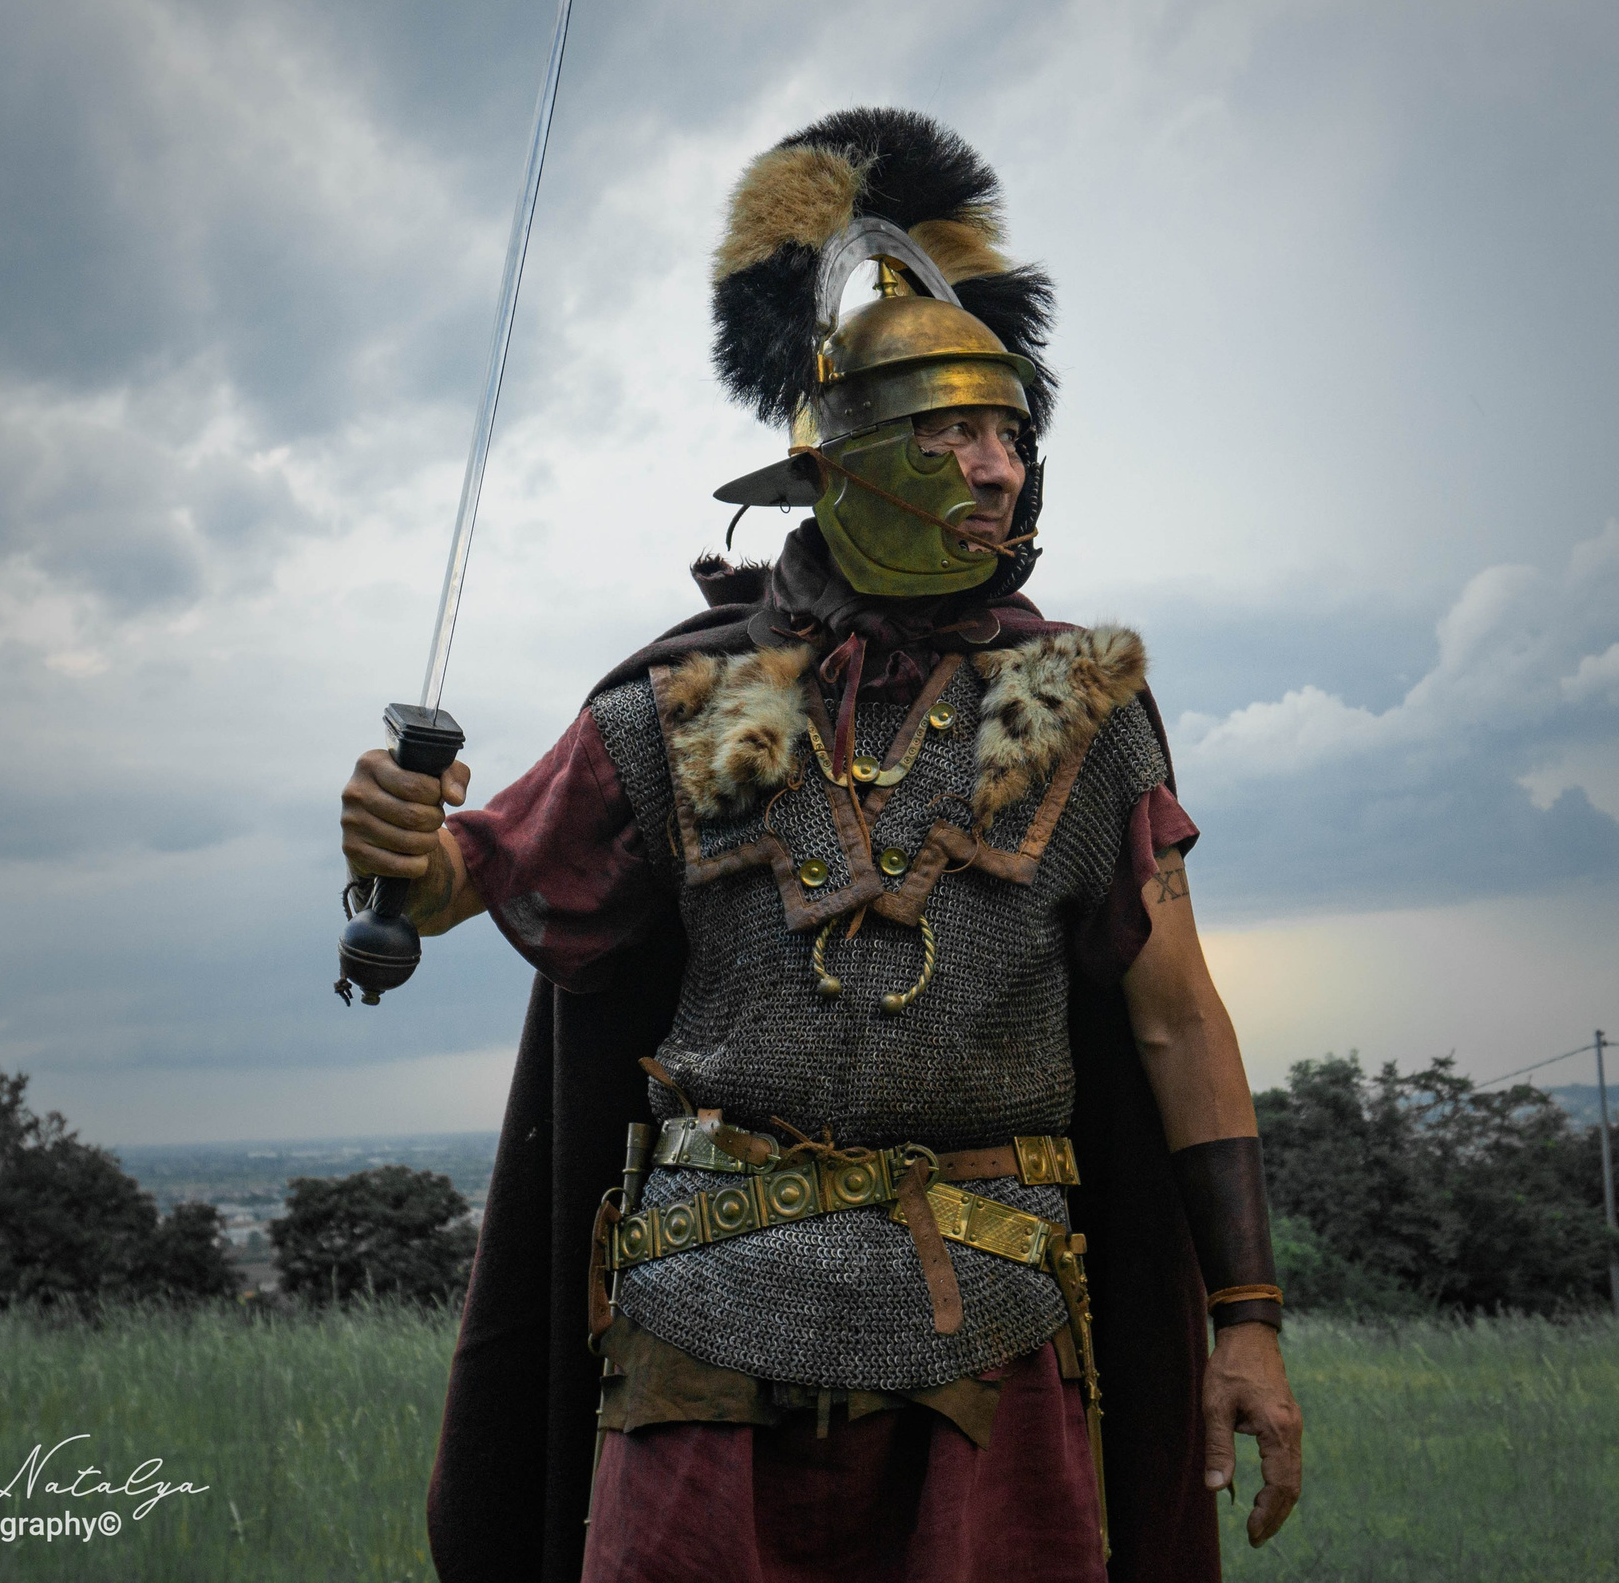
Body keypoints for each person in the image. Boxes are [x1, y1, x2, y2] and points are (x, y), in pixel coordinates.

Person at [339, 109, 1302, 1583]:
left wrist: (1246, 1321)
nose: (995, 471)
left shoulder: (1076, 703)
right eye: (953, 434)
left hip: (996, 1316)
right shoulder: (697, 701)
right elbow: (469, 880)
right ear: (846, 459)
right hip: (704, 1323)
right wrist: (401, 841)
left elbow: (1176, 1022)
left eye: (1010, 438)